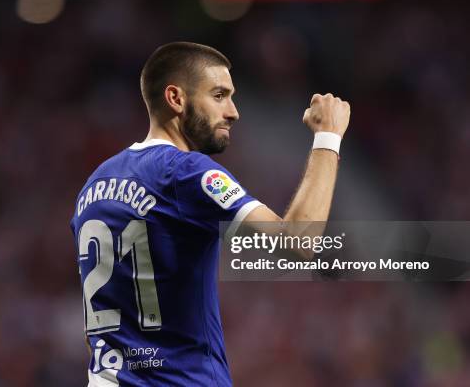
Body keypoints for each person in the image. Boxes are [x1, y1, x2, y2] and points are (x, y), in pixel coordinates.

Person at [70, 41, 350, 386]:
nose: (233, 111)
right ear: (176, 99)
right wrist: (328, 137)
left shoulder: (93, 186)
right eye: (219, 95)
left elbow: (95, 323)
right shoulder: (184, 171)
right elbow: (298, 241)